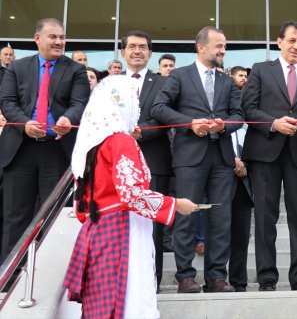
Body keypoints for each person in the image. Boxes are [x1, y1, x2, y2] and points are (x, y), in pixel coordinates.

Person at [63, 76, 198, 318]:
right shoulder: (121, 142)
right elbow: (132, 194)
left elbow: (80, 203)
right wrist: (176, 204)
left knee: (102, 302)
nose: (136, 107)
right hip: (124, 229)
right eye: (133, 101)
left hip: (97, 230)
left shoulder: (89, 145)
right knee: (131, 297)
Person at [152, 26, 244, 294]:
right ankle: (185, 277)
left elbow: (239, 116)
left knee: (220, 218)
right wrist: (189, 123)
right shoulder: (180, 75)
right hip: (190, 158)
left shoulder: (228, 81)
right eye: (219, 46)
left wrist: (223, 125)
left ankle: (216, 277)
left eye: (224, 46)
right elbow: (159, 108)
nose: (223, 50)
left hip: (222, 158)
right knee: (187, 216)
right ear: (201, 47)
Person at [242, 20, 297, 291]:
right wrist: (273, 123)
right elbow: (248, 109)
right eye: (292, 41)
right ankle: (267, 277)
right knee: (266, 217)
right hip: (265, 151)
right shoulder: (260, 70)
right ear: (279, 42)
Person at [0, 18, 89, 260]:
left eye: (62, 37)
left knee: (54, 215)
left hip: (57, 148)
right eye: (53, 37)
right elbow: (8, 102)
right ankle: (9, 275)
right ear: (37, 38)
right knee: (15, 215)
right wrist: (25, 124)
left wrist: (67, 119)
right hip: (20, 149)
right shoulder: (17, 68)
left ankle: (48, 269)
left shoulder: (76, 70)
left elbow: (79, 103)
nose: (59, 42)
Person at [120, 30, 175, 289]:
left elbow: (166, 116)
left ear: (150, 54)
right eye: (132, 46)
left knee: (153, 225)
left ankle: (151, 282)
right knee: (122, 223)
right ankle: (123, 280)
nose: (137, 51)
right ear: (123, 53)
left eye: (143, 47)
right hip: (119, 165)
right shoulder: (110, 83)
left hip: (155, 159)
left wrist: (142, 131)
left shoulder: (164, 83)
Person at [228, 66, 253, 292]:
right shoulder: (221, 120)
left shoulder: (250, 125)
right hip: (220, 180)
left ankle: (239, 282)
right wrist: (232, 160)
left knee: (241, 237)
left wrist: (246, 164)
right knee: (218, 234)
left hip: (245, 183)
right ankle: (215, 280)